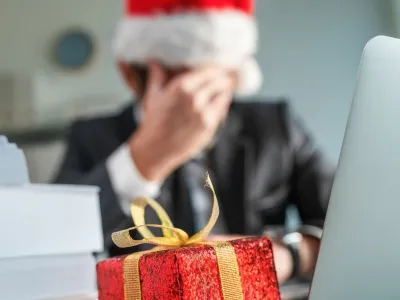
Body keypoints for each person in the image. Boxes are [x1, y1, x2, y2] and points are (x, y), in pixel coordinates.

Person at [53, 0, 335, 283]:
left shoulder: (276, 127)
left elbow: (351, 226)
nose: (194, 105)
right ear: (130, 74)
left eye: (207, 83)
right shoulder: (91, 137)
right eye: (178, 81)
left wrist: (290, 254)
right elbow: (51, 243)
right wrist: (144, 159)